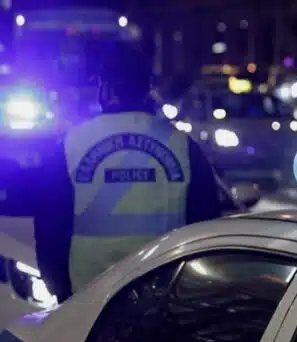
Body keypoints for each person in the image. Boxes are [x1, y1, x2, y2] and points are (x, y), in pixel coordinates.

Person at [34, 42, 221, 302]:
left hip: (87, 298)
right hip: (163, 296)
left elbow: (50, 226)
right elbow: (205, 226)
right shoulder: (182, 146)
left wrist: (60, 289)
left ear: (105, 87)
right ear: (147, 88)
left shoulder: (71, 144)